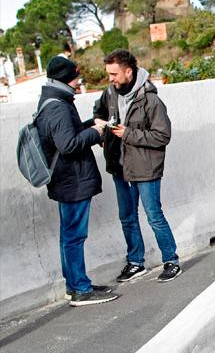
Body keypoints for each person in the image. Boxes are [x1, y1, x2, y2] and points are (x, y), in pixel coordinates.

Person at [36, 53, 118, 306]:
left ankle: (75, 285)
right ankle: (81, 290)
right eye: (75, 79)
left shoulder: (52, 101)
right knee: (74, 236)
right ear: (65, 79)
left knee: (68, 235)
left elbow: (65, 135)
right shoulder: (58, 107)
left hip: (65, 180)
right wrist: (95, 133)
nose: (77, 83)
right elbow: (68, 144)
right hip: (72, 181)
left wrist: (91, 123)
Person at [93, 49, 181, 283]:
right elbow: (98, 112)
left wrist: (128, 134)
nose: (110, 78)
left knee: (154, 216)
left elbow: (163, 136)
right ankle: (135, 262)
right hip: (119, 168)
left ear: (128, 72)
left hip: (145, 169)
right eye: (108, 74)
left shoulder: (151, 99)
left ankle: (171, 260)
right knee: (127, 217)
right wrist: (102, 131)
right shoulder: (109, 94)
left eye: (114, 73)